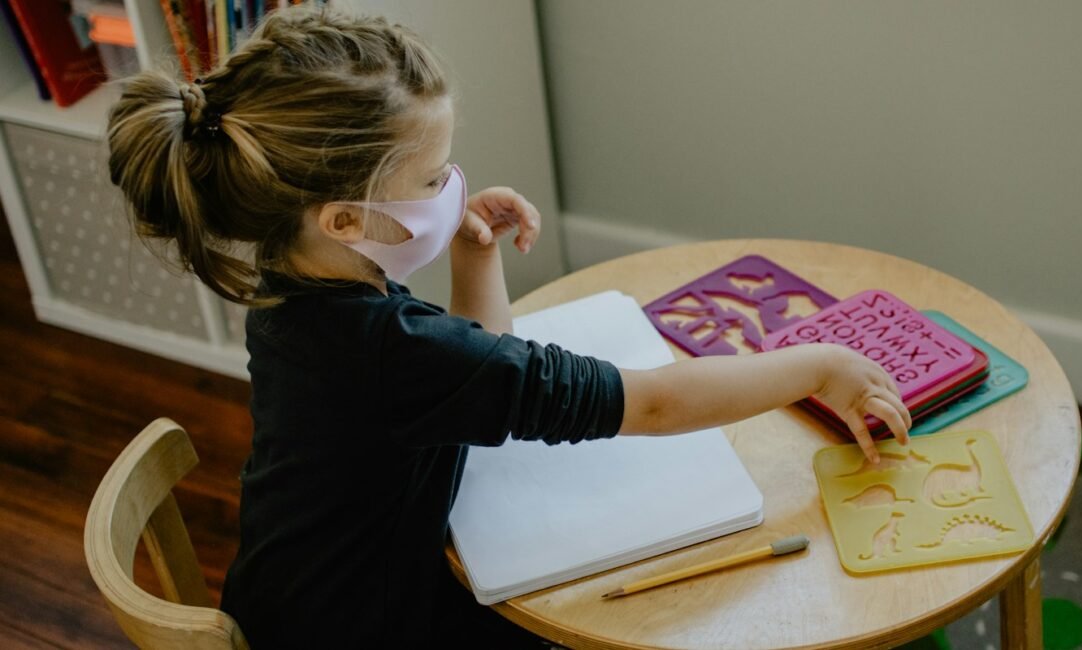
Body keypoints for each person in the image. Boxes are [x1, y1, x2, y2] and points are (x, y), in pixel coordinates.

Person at [105, 6, 910, 648]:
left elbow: (471, 372)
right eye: (430, 180)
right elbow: (656, 405)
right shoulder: (392, 350)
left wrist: (468, 250)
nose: (452, 186)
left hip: (298, 599)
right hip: (372, 626)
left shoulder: (291, 289)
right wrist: (814, 365)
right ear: (347, 217)